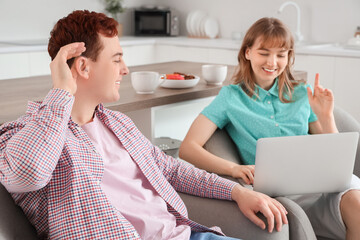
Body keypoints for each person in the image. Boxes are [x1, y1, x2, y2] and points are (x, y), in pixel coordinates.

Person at [0, 11, 289, 239]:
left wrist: (237, 192)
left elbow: (170, 168)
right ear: (83, 67)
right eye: (116, 59)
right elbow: (29, 175)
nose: (125, 70)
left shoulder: (117, 123)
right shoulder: (27, 132)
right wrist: (62, 91)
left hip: (186, 235)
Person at [179, 17, 360, 240]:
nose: (272, 62)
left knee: (357, 203)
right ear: (248, 52)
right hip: (278, 193)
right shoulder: (230, 97)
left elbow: (332, 157)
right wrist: (234, 168)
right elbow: (187, 148)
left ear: (289, 57)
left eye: (281, 55)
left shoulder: (302, 92)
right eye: (264, 53)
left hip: (320, 185)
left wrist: (326, 116)